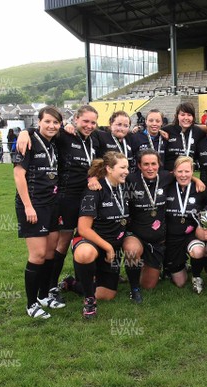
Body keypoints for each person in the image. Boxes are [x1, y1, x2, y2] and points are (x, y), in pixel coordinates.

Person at [18, 105, 102, 300]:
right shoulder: (64, 135)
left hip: (87, 197)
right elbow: (44, 129)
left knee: (86, 238)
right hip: (65, 199)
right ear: (76, 120)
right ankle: (51, 286)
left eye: (93, 122)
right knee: (62, 244)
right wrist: (25, 131)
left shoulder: (96, 138)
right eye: (85, 121)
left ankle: (83, 280)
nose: (89, 126)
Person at [13, 106, 65, 319]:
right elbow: (18, 175)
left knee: (51, 253)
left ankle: (44, 296)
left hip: (52, 205)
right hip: (33, 206)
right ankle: (31, 303)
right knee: (38, 255)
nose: (52, 126)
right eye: (48, 122)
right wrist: (27, 206)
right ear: (39, 122)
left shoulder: (54, 143)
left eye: (56, 122)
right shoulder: (28, 141)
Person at [72, 152, 132, 318]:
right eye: (122, 167)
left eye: (127, 167)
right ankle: (89, 300)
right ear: (109, 169)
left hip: (113, 245)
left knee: (107, 295)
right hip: (90, 241)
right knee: (86, 254)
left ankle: (74, 283)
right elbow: (83, 229)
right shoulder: (94, 189)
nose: (127, 171)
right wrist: (108, 247)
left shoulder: (124, 186)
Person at [122, 150, 174, 302]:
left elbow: (184, 173)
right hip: (135, 234)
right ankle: (134, 289)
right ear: (139, 165)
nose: (150, 168)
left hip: (156, 240)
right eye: (146, 164)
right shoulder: (130, 179)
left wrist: (197, 181)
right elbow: (109, 178)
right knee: (132, 251)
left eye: (153, 164)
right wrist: (94, 179)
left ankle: (142, 267)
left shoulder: (165, 177)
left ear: (159, 165)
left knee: (149, 285)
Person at [163, 156, 207, 293]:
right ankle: (178, 265)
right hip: (172, 238)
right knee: (180, 282)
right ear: (174, 172)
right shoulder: (166, 186)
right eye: (180, 171)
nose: (183, 175)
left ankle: (196, 276)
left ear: (192, 171)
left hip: (191, 235)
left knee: (198, 251)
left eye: (187, 171)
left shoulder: (200, 189)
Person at [162, 102, 205, 171]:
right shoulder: (167, 130)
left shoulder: (198, 132)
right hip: (169, 175)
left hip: (187, 175)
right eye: (182, 115)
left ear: (193, 117)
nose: (186, 118)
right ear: (177, 116)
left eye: (189, 115)